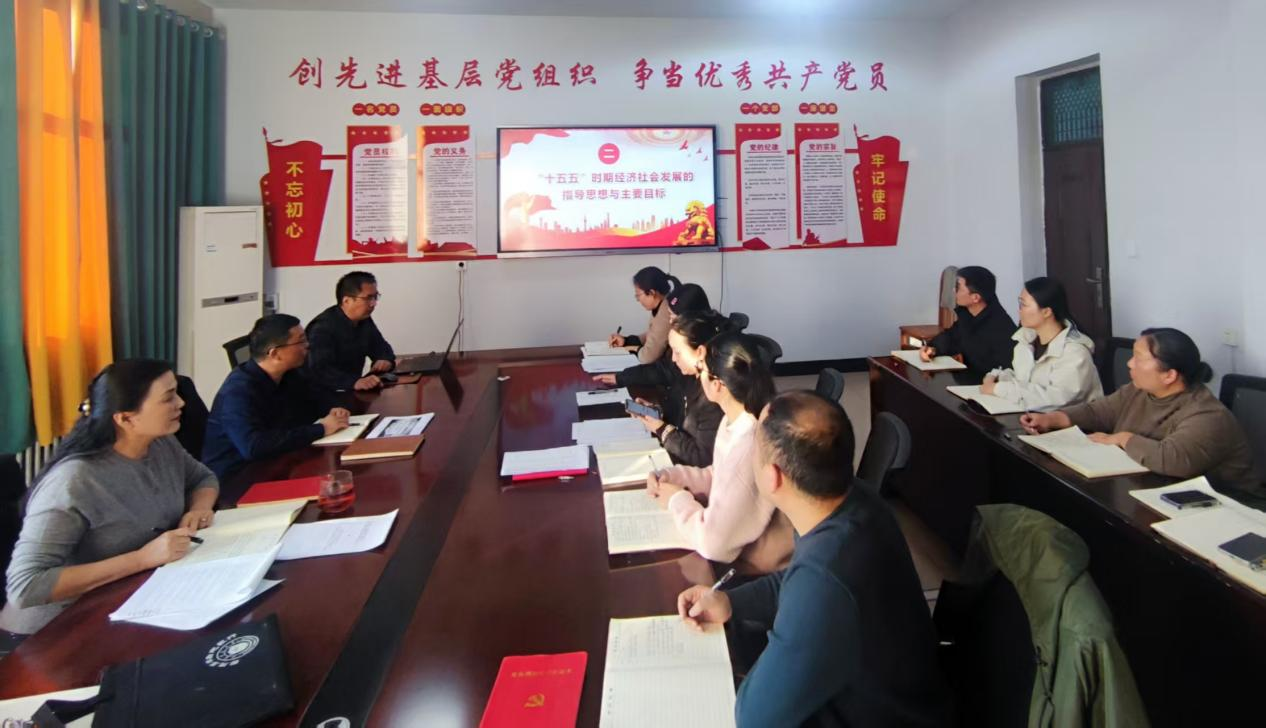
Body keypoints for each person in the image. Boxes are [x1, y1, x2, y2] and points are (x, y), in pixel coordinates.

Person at [677, 391, 950, 726]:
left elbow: (755, 717)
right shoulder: (854, 500)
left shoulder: (826, 580)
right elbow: (795, 579)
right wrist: (730, 602)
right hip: (897, 692)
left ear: (773, 477)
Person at [2, 360, 219, 636]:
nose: (181, 403)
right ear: (126, 418)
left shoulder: (161, 443)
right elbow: (25, 587)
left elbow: (203, 479)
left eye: (176, 393)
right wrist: (141, 559)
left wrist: (199, 508)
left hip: (129, 598)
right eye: (168, 398)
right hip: (54, 631)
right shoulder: (74, 481)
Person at [1021, 328, 1258, 490]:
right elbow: (1099, 412)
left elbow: (1172, 459)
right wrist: (1053, 418)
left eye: (1138, 358)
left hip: (1224, 506)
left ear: (1169, 375)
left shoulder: (1207, 415)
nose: (1129, 363)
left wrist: (1122, 438)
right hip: (1153, 486)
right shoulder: (1138, 391)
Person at [648, 332, 793, 574]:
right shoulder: (736, 417)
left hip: (751, 566)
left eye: (702, 370)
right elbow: (721, 475)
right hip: (736, 543)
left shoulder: (750, 441)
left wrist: (677, 499)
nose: (697, 375)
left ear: (717, 385)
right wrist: (675, 476)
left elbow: (713, 545)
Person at [203, 314, 350, 481]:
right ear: (275, 353)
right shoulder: (238, 392)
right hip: (238, 478)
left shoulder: (289, 374)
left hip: (279, 460)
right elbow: (254, 447)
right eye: (301, 341)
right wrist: (321, 429)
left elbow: (317, 399)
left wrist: (334, 409)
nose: (307, 345)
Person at [981, 276, 1103, 409]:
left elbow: (1058, 399)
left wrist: (999, 389)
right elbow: (1024, 380)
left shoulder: (1074, 352)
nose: (1019, 310)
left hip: (1068, 419)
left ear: (1046, 312)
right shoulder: (1026, 341)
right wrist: (997, 377)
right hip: (1032, 415)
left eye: (1023, 305)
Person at [628, 311, 728, 466]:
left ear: (700, 352)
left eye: (678, 352)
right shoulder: (690, 376)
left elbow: (702, 459)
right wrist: (656, 412)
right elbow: (681, 415)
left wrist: (661, 429)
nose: (673, 359)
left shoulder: (713, 395)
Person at [305, 271, 396, 391]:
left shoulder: (364, 320)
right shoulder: (322, 328)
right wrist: (354, 382)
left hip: (351, 391)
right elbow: (319, 370)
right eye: (368, 298)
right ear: (347, 300)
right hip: (322, 395)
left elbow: (382, 348)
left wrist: (385, 359)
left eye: (375, 297)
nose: (373, 303)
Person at [922, 265, 1017, 375]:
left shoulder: (1001, 328)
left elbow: (1007, 371)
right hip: (967, 379)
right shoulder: (967, 313)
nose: (953, 290)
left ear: (975, 297)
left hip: (987, 382)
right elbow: (951, 337)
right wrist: (932, 348)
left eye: (957, 287)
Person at [607, 266, 678, 365]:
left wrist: (632, 348)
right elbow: (652, 335)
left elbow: (648, 357)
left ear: (651, 293)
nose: (638, 300)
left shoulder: (666, 312)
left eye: (638, 295)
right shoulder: (662, 304)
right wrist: (626, 341)